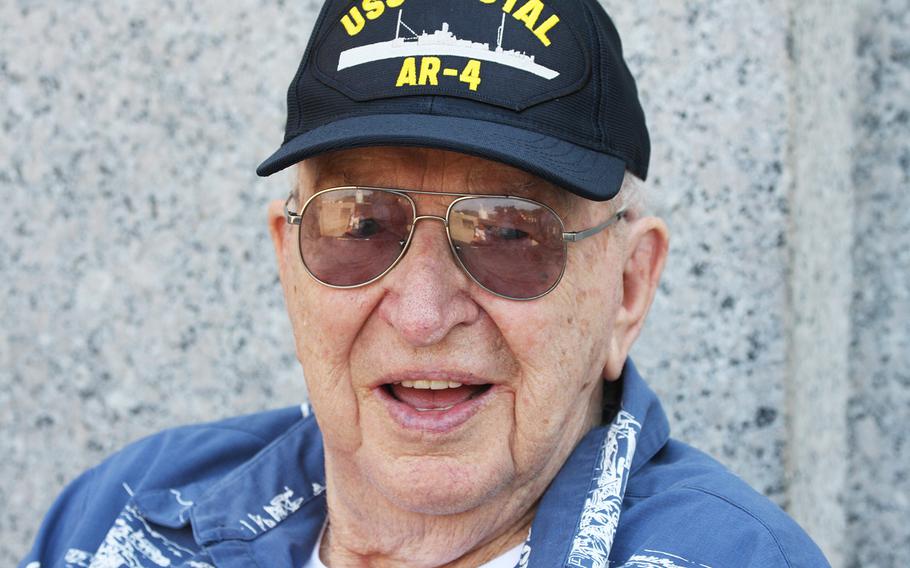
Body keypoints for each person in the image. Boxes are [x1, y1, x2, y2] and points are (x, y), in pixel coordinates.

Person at [21, 1, 831, 567]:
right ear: (287, 258)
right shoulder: (118, 517)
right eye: (361, 227)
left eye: (512, 235)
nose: (421, 314)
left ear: (628, 288)